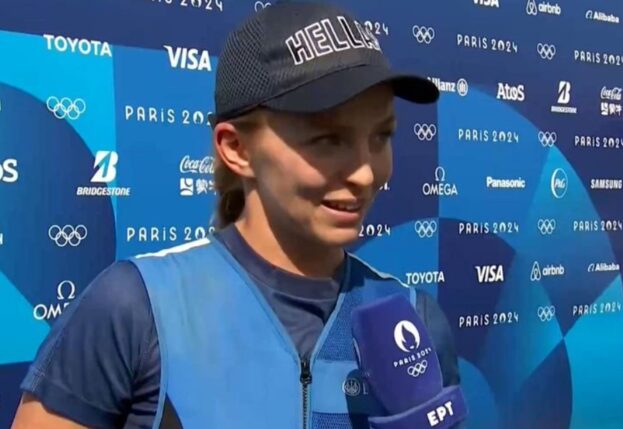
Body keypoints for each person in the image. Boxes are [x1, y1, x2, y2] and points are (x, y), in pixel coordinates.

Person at [10, 2, 462, 428]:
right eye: (328, 140)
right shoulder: (136, 307)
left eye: (381, 137)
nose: (365, 172)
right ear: (237, 149)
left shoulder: (416, 319)